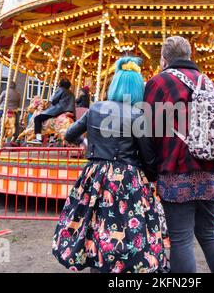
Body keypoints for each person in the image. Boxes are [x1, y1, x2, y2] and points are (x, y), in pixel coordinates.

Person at [52, 57, 169, 273]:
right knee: (130, 229)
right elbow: (147, 156)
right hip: (127, 177)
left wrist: (88, 143)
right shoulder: (138, 115)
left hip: (96, 174)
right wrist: (152, 175)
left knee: (93, 224)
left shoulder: (96, 109)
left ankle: (95, 264)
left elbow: (69, 134)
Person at [144, 36, 214, 273]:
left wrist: (151, 169)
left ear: (164, 59)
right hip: (213, 168)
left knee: (181, 239)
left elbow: (150, 130)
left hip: (177, 168)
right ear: (190, 55)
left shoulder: (158, 83)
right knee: (209, 234)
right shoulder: (208, 82)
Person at [31, 79, 75, 144]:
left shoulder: (61, 90)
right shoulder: (72, 93)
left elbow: (54, 100)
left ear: (61, 84)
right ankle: (52, 139)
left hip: (58, 110)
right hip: (70, 112)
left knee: (37, 118)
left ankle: (38, 138)